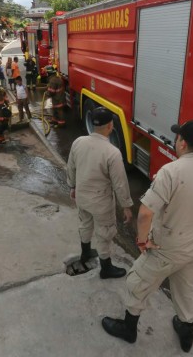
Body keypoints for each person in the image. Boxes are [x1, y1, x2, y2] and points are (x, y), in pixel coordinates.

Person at [102, 120, 193, 352]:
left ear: (182, 143)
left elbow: (145, 214)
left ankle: (129, 329)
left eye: (178, 137)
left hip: (166, 248)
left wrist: (141, 241)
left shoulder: (171, 171)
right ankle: (186, 332)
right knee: (188, 289)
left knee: (137, 283)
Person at [66, 107, 133, 279]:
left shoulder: (78, 142)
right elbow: (120, 183)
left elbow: (71, 167)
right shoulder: (112, 152)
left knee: (85, 223)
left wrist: (72, 187)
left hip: (81, 196)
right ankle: (106, 268)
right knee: (105, 232)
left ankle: (86, 253)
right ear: (110, 126)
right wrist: (126, 205)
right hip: (100, 202)